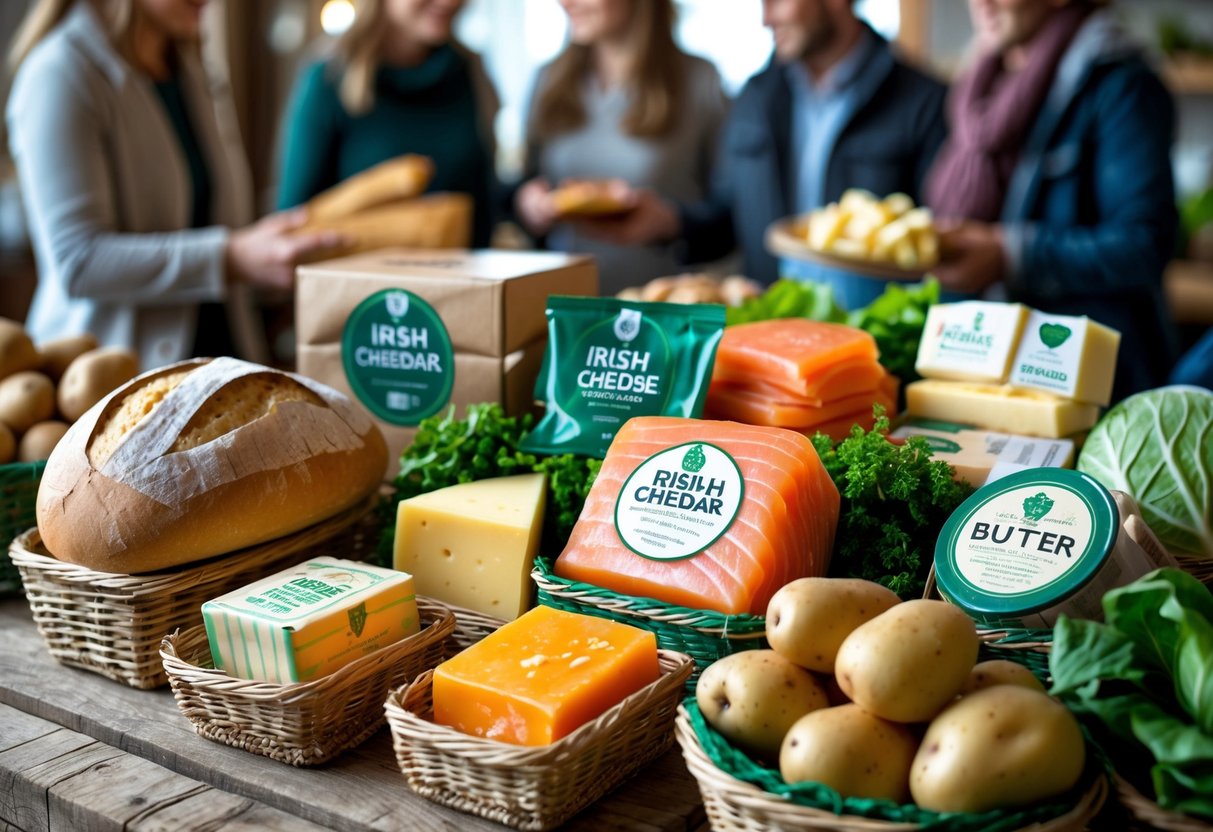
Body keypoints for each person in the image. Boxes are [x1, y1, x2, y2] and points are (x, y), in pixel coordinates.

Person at [6, 0, 342, 369]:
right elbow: (79, 261)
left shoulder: (189, 65)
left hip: (221, 362)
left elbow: (206, 224)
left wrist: (263, 258)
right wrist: (233, 257)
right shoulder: (59, 72)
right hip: (110, 379)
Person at [587, 0, 947, 298]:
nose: (765, 18)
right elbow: (728, 217)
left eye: (777, 1)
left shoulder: (924, 103)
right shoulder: (755, 97)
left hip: (873, 344)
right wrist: (669, 222)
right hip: (771, 332)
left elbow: (938, 245)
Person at [927, 0, 1177, 402]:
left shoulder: (1120, 85)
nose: (981, 5)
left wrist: (1009, 255)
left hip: (1092, 385)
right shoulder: (979, 85)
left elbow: (1144, 243)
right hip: (989, 368)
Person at [512, 0, 728, 295]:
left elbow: (731, 219)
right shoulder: (549, 80)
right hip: (566, 308)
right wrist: (528, 204)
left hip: (660, 312)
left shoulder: (701, 82)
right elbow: (524, 182)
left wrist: (669, 222)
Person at [277, 0, 499, 247]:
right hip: (360, 281)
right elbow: (292, 220)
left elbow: (485, 203)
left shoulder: (471, 73)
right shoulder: (329, 78)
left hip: (461, 279)